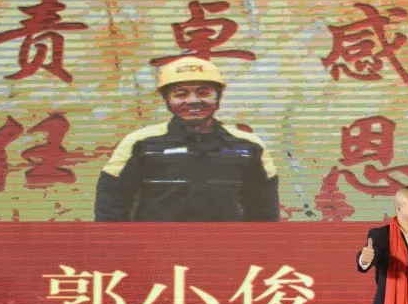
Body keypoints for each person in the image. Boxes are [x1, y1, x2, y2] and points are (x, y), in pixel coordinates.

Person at [95, 56, 279, 222]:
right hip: (158, 244)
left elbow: (265, 211)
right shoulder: (140, 143)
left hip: (227, 244)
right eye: (180, 93)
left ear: (218, 97)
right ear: (166, 99)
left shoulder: (249, 146)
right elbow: (111, 206)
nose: (192, 101)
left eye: (203, 92)